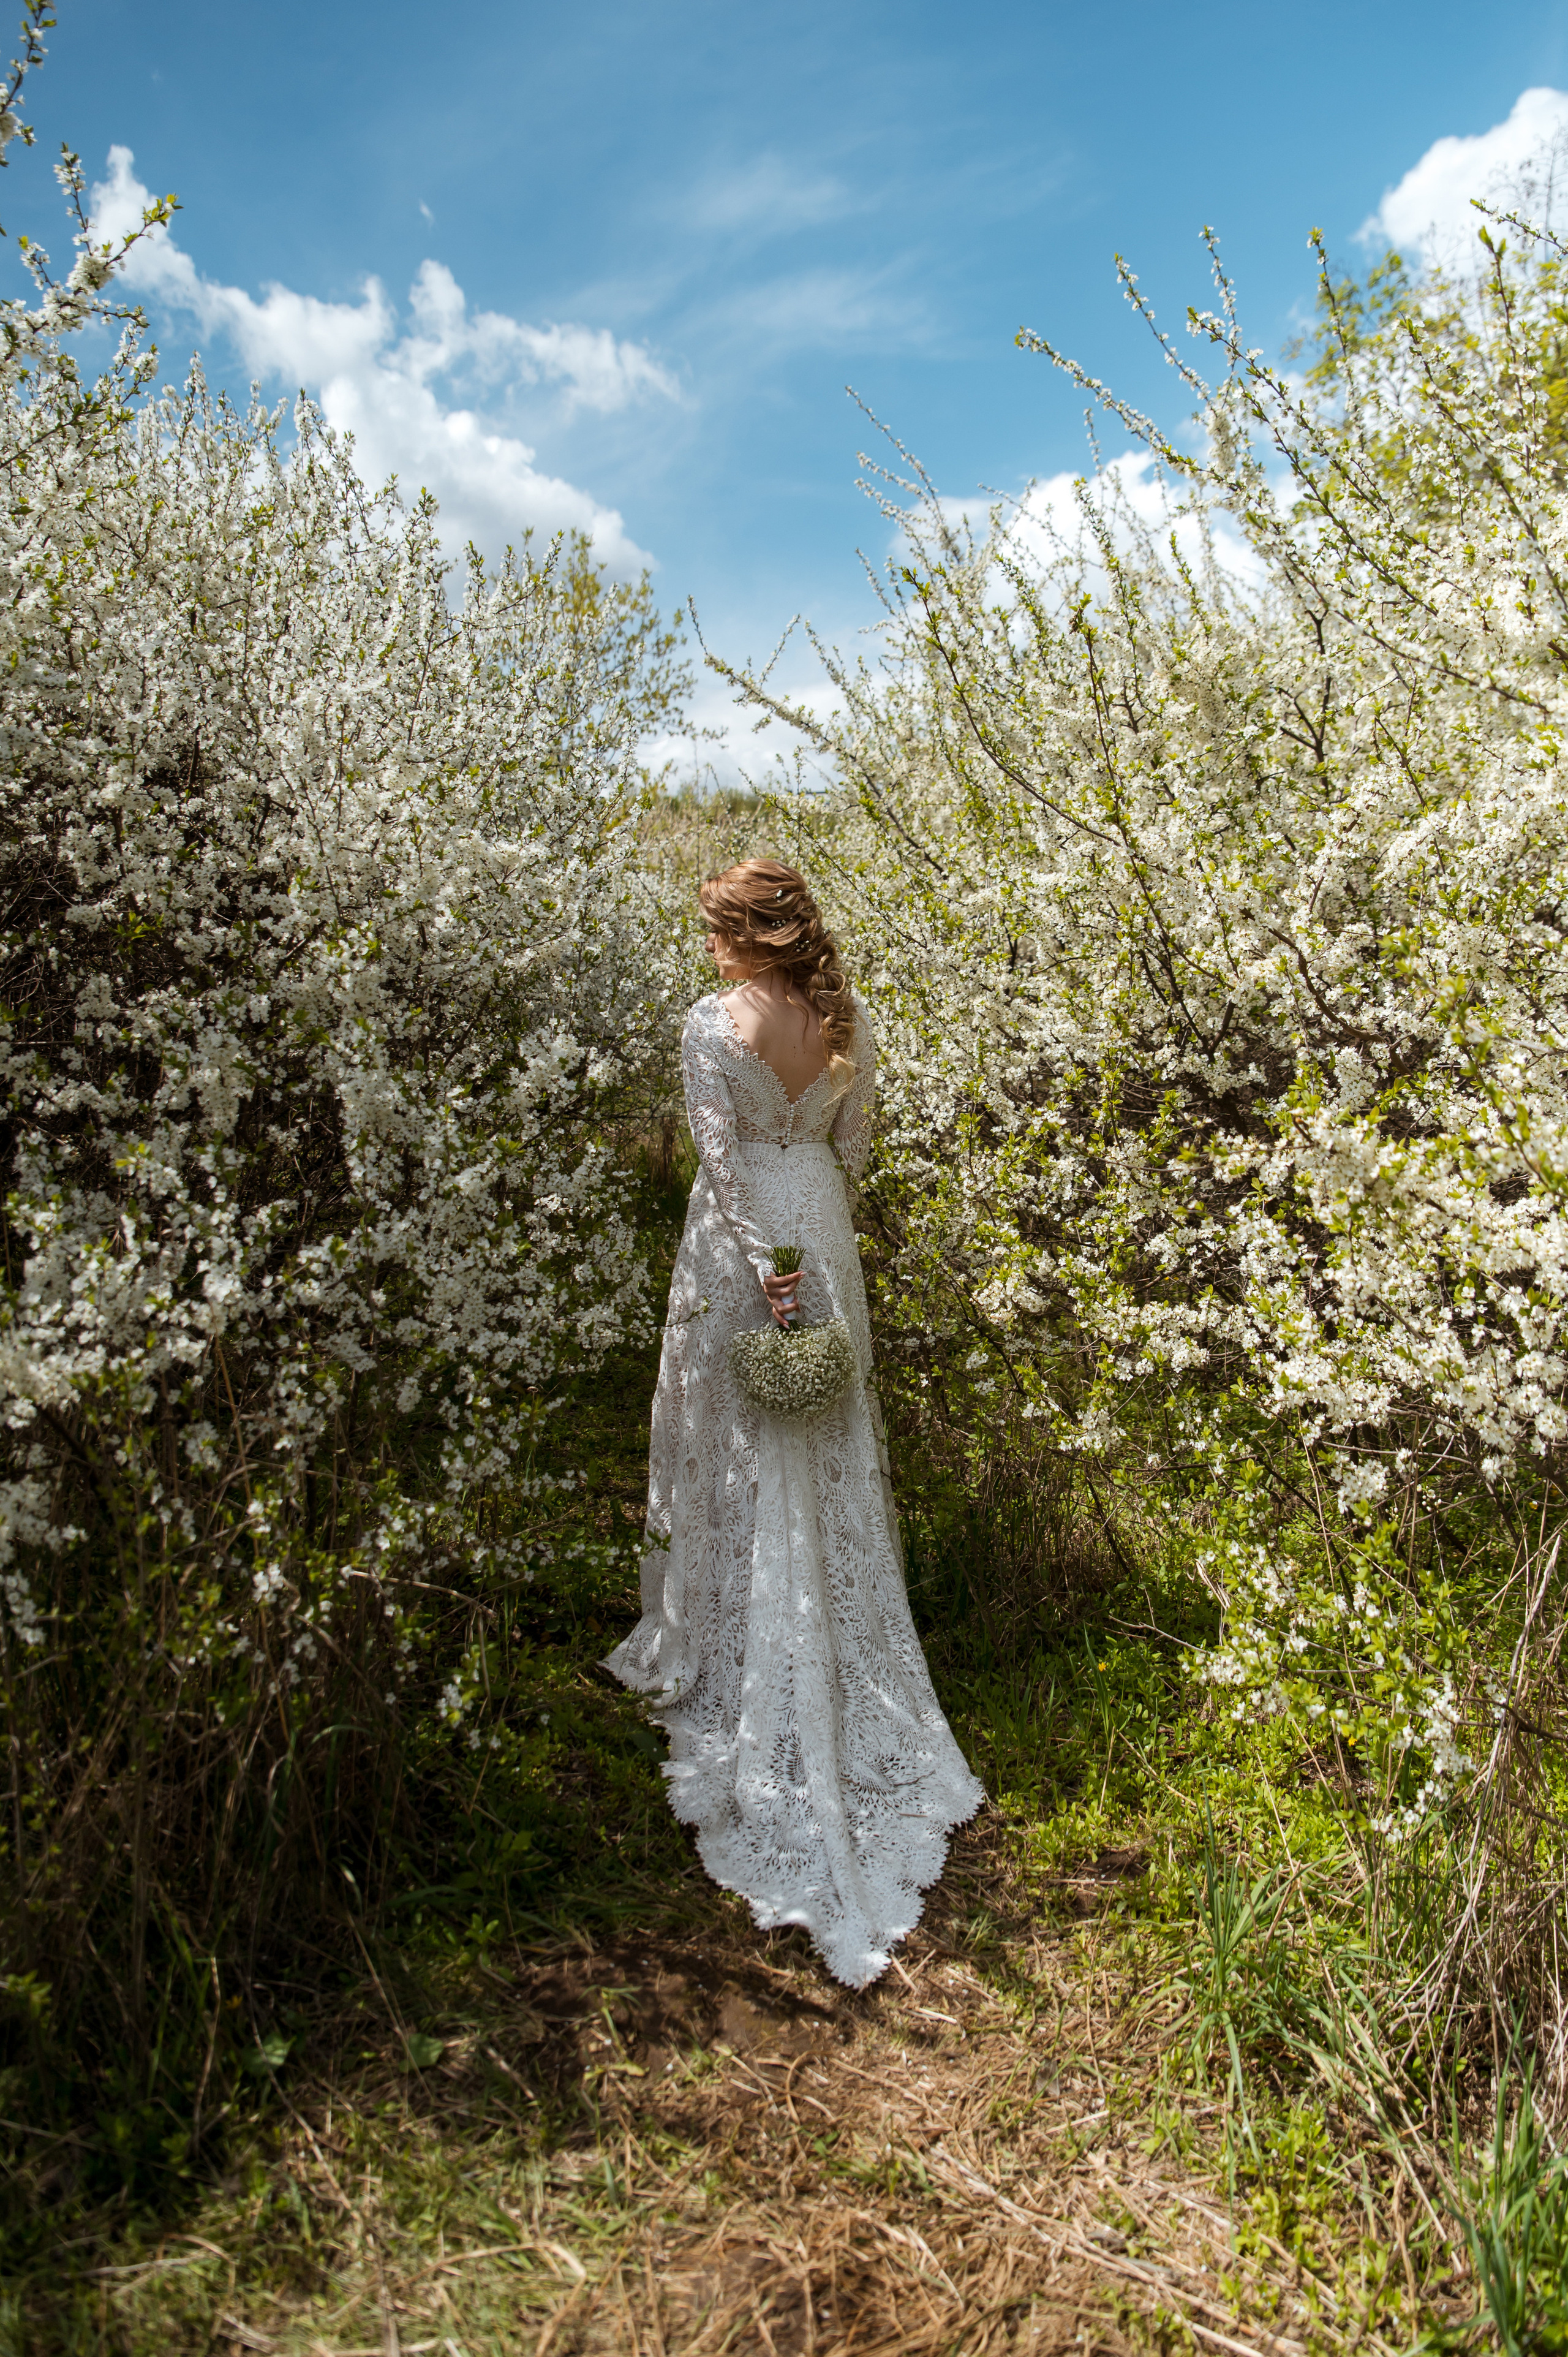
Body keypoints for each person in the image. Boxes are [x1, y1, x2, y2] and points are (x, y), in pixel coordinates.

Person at [605, 858, 982, 1986]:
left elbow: (715, 1167)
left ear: (750, 935)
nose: (708, 948)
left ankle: (728, 1635)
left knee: (736, 1429)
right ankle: (825, 1626)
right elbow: (852, 1149)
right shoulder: (843, 1016)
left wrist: (762, 1265)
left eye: (717, 931)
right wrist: (808, 1227)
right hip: (821, 1214)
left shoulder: (709, 1025)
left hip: (748, 1236)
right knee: (824, 1428)